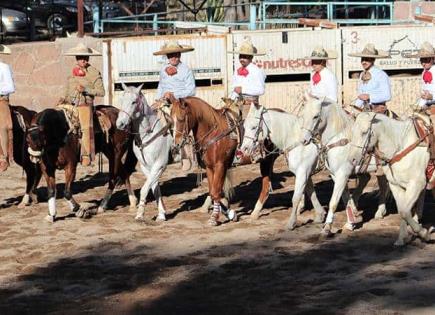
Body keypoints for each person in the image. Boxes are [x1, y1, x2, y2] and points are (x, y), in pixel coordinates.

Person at [154, 41, 196, 171]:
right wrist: (159, 98)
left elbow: (191, 90)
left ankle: (185, 156)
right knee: (151, 118)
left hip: (180, 103)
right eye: (171, 55)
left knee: (179, 124)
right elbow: (161, 85)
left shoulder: (186, 70)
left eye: (176, 55)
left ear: (180, 55)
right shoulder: (163, 69)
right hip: (164, 102)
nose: (174, 57)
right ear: (167, 56)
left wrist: (174, 95)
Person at [63, 43, 105, 167]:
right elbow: (68, 89)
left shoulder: (94, 72)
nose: (83, 60)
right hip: (71, 104)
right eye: (80, 57)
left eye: (86, 57)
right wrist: (63, 98)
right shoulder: (72, 72)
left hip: (85, 104)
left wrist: (86, 89)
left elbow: (101, 92)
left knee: (85, 127)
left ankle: (86, 154)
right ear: (76, 58)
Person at [405, 41, 435, 189]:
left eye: (427, 59)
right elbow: (425, 95)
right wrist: (418, 105)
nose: (424, 63)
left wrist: (431, 97)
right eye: (422, 60)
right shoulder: (424, 73)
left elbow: (431, 95)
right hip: (427, 108)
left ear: (433, 59)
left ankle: (433, 166)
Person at [348, 43, 391, 113]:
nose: (364, 62)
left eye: (367, 59)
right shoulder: (362, 74)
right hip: (365, 110)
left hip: (379, 110)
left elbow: (387, 96)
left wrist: (370, 97)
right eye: (362, 59)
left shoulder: (381, 75)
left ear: (373, 60)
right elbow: (361, 96)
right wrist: (353, 111)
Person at [228, 39, 266, 117]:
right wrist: (230, 100)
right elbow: (234, 88)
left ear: (251, 57)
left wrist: (243, 89)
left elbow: (261, 90)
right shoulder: (237, 71)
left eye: (245, 57)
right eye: (240, 56)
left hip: (251, 106)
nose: (242, 59)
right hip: (237, 103)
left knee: (245, 126)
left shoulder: (257, 71)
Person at [0, 45, 15, 172]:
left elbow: (10, 87)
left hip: (1, 100)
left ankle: (3, 157)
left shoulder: (4, 67)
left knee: (2, 126)